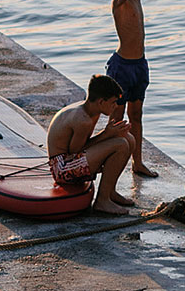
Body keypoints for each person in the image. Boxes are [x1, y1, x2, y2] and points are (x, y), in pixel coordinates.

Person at [108, 0, 165, 178]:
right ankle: (111, 163)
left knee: (136, 116)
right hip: (122, 67)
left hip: (139, 65)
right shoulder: (119, 1)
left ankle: (137, 162)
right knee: (117, 119)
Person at [45, 74, 136, 213]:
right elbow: (75, 152)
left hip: (71, 160)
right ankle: (102, 201)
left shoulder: (93, 110)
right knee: (120, 144)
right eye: (113, 102)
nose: (116, 106)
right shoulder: (82, 119)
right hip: (62, 168)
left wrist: (111, 134)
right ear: (101, 102)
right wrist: (106, 134)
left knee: (129, 139)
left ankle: (110, 192)